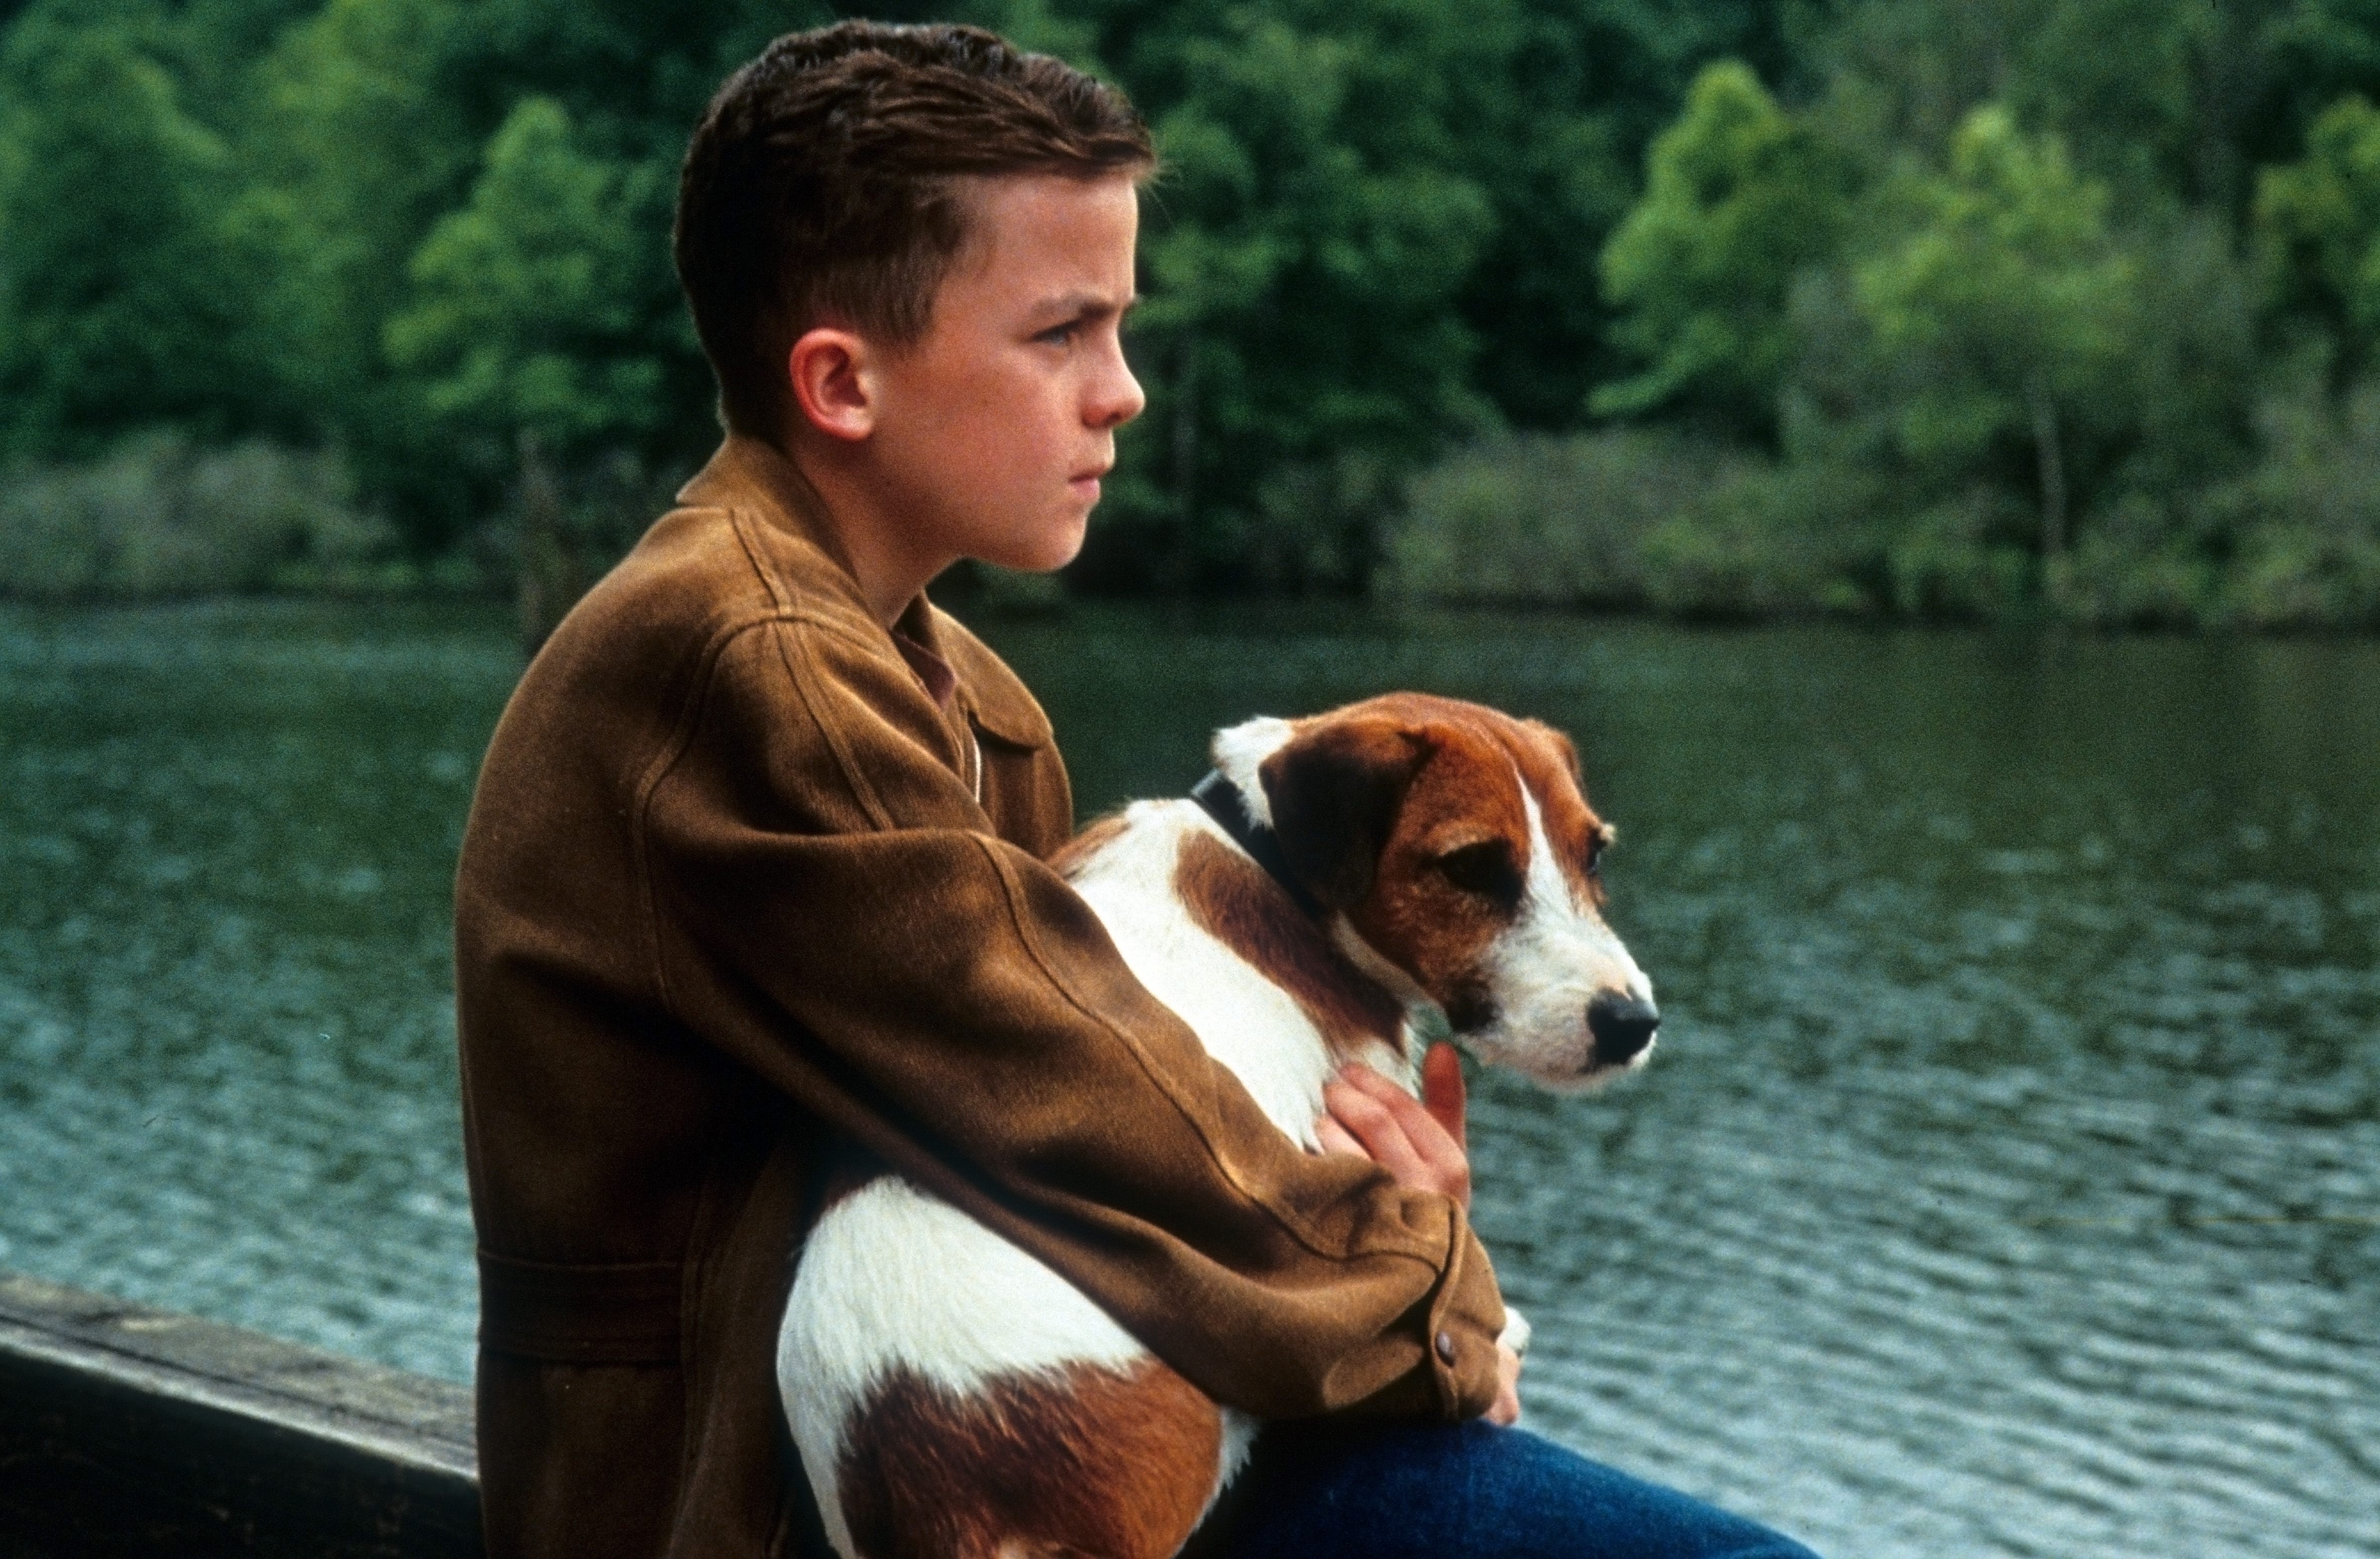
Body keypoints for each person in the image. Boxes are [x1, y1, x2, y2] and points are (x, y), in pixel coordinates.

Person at [452, 20, 1820, 1558]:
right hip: (753, 1513)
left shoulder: (958, 690)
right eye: (1064, 335)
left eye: (1123, 330)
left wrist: (1376, 1238)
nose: (1127, 395)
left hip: (1013, 1444)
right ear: (843, 382)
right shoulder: (748, 659)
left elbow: (1078, 1123)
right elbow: (1075, 1099)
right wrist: (1428, 1299)